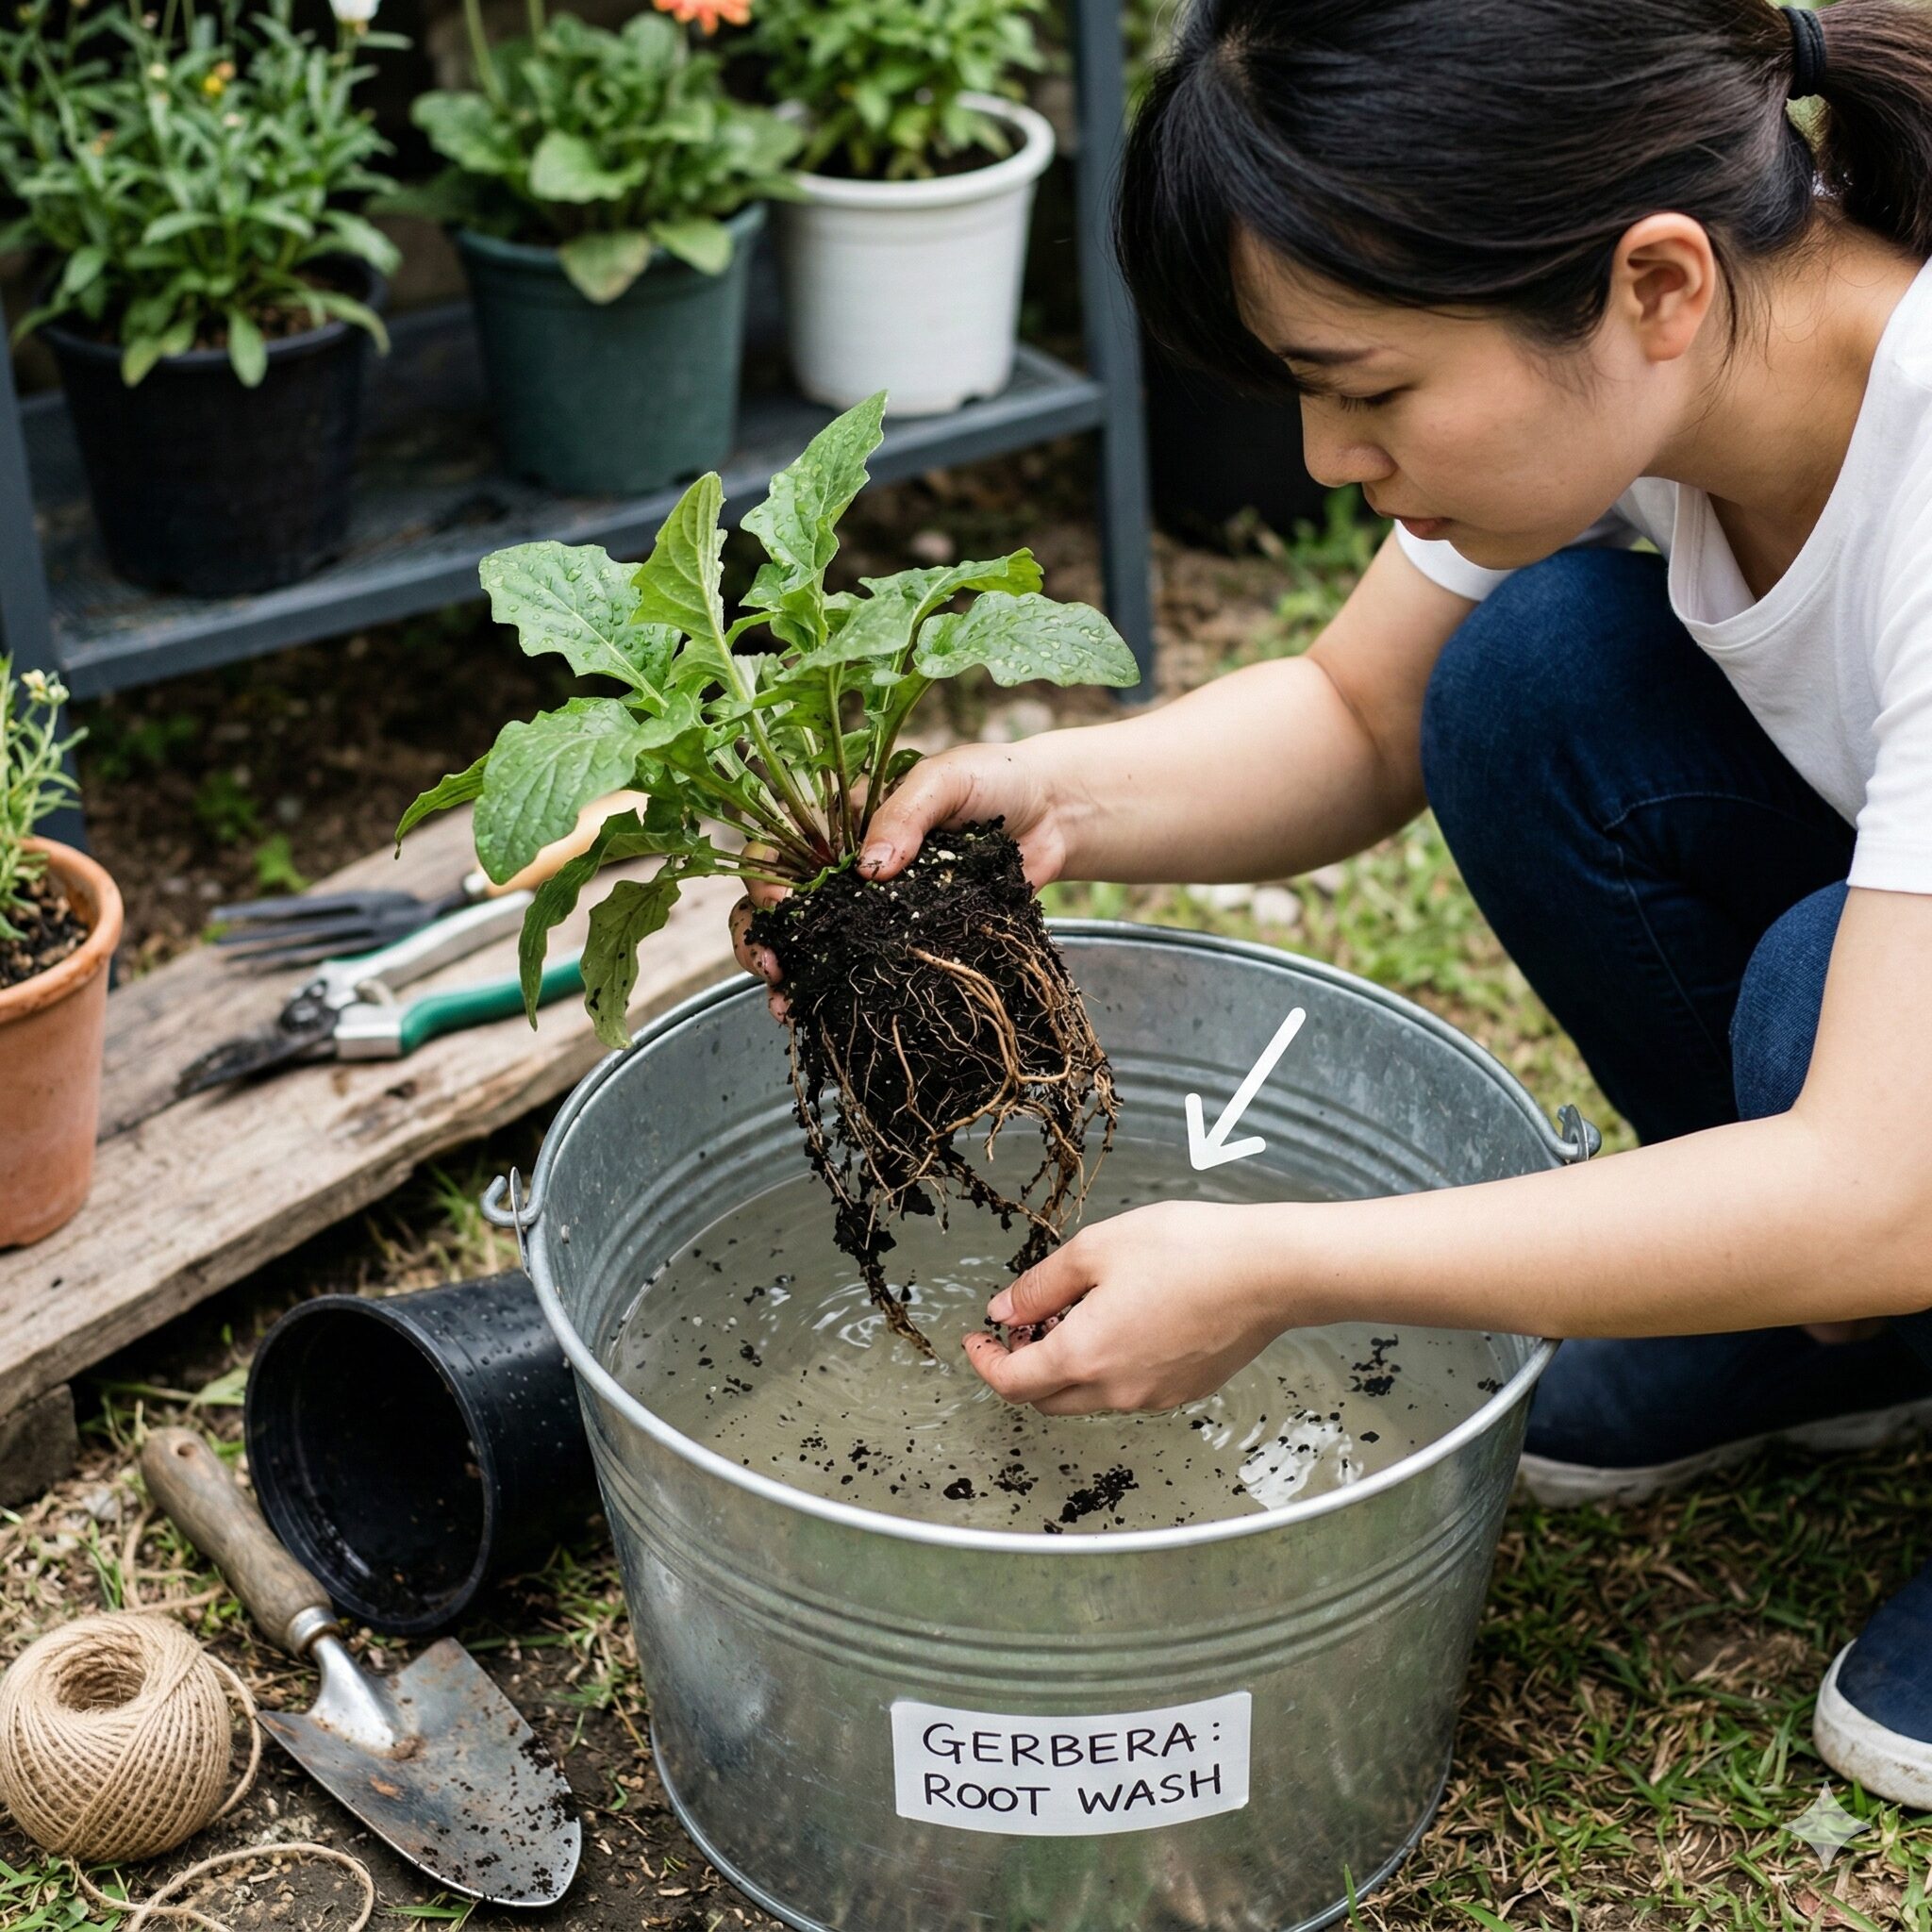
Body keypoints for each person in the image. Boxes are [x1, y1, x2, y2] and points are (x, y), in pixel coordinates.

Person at [733, 0, 1932, 1807]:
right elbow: (1358, 713)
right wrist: (1041, 797)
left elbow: (1881, 1179)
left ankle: (1833, 1293)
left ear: (1657, 287)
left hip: (1895, 1166)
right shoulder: (1666, 325)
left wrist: (1280, 1264)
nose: (1320, 456)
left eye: (1366, 390)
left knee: (1817, 1010)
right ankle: (1791, 1328)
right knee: (1531, 682)